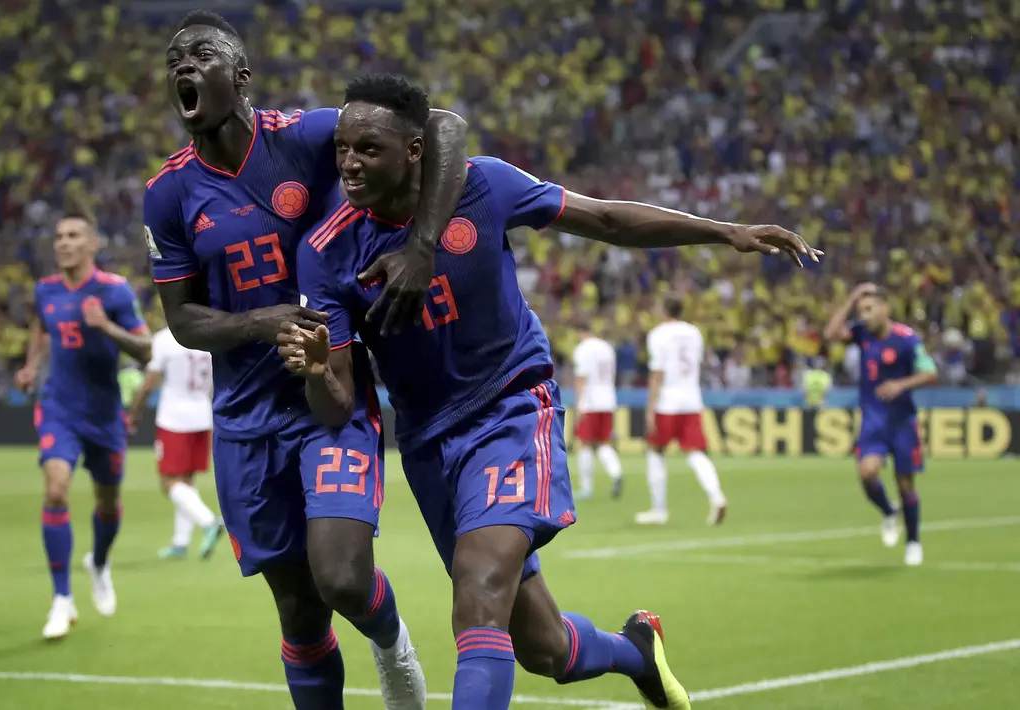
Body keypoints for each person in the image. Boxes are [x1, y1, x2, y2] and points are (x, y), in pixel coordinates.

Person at [279, 73, 818, 710]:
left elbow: (608, 219)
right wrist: (318, 371)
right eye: (342, 147)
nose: (348, 163)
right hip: (427, 441)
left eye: (368, 149)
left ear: (415, 150)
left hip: (510, 407)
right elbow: (337, 407)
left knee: (477, 594)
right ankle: (635, 652)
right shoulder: (326, 251)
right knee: (543, 648)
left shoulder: (484, 186)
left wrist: (722, 230)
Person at [144, 12, 469, 710]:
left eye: (201, 53)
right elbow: (181, 321)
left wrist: (424, 243)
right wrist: (260, 322)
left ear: (240, 76)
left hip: (332, 396)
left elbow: (441, 126)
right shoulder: (168, 193)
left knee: (344, 579)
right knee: (299, 610)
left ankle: (390, 644)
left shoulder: (306, 138)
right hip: (245, 420)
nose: (183, 65)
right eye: (174, 58)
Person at [14, 214, 153, 639]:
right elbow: (40, 329)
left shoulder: (113, 291)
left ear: (92, 244)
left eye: (73, 236)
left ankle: (100, 562)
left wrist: (106, 327)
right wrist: (31, 366)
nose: (64, 243)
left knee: (108, 504)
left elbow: (146, 350)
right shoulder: (45, 291)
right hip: (59, 406)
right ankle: (61, 599)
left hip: (104, 413)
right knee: (55, 487)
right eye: (58, 236)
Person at [823, 283, 938, 566]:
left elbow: (930, 373)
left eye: (869, 309)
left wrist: (902, 384)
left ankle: (913, 542)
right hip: (873, 421)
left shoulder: (907, 339)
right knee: (867, 472)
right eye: (861, 310)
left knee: (905, 484)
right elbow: (830, 334)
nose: (864, 316)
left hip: (902, 422)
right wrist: (852, 298)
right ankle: (888, 511)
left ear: (886, 308)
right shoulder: (862, 335)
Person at [127, 327, 225, 560]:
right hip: (202, 414)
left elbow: (150, 381)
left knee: (169, 483)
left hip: (174, 418)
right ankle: (180, 543)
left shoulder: (165, 339)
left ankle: (209, 522)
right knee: (186, 480)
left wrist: (134, 413)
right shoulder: (207, 335)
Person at [636, 297, 728, 526]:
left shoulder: (658, 334)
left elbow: (657, 373)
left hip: (667, 401)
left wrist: (650, 408)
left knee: (655, 451)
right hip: (692, 399)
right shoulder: (695, 332)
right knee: (696, 452)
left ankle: (659, 510)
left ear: (664, 309)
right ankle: (717, 497)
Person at [570, 325, 623, 499]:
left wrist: (578, 405)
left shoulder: (583, 349)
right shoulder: (607, 348)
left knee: (585, 444)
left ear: (580, 332)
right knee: (603, 443)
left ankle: (586, 488)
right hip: (608, 399)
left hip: (590, 401)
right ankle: (616, 472)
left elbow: (581, 379)